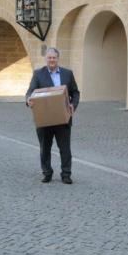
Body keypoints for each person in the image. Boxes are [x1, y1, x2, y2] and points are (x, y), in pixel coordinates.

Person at [26, 47, 80, 184]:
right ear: (46, 59)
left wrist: (73, 104)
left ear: (57, 59)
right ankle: (47, 172)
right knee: (45, 148)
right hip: (44, 119)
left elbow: (75, 92)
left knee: (65, 149)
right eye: (49, 58)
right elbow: (30, 92)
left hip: (63, 118)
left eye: (54, 58)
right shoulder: (38, 74)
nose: (52, 60)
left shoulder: (68, 74)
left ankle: (66, 174)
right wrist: (28, 100)